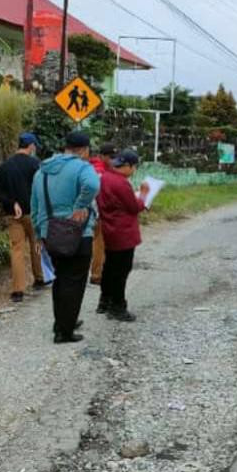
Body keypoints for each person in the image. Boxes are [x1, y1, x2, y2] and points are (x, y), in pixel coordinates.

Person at [31, 131, 100, 344]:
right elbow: (93, 185)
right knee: (75, 282)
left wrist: (38, 233)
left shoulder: (41, 172)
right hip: (77, 233)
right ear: (84, 149)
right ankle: (65, 331)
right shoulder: (82, 167)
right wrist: (80, 205)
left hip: (50, 232)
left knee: (61, 279)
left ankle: (61, 321)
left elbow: (34, 205)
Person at [0, 132, 47, 303]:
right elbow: (41, 189)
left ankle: (18, 290)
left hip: (12, 214)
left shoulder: (5, 166)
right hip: (33, 213)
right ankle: (39, 279)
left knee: (16, 250)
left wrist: (12, 203)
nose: (35, 148)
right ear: (30, 145)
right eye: (35, 145)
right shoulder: (35, 165)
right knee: (36, 244)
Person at [96, 149, 149, 322]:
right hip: (123, 232)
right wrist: (144, 195)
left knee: (110, 267)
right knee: (121, 271)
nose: (134, 171)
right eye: (134, 167)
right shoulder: (121, 182)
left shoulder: (105, 178)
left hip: (109, 229)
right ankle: (118, 306)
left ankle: (104, 301)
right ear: (127, 166)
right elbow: (134, 206)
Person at [89, 142, 118, 289]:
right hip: (98, 212)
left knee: (100, 242)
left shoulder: (103, 168)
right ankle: (96, 274)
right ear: (102, 156)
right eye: (110, 156)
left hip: (98, 211)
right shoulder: (98, 171)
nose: (113, 159)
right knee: (99, 243)